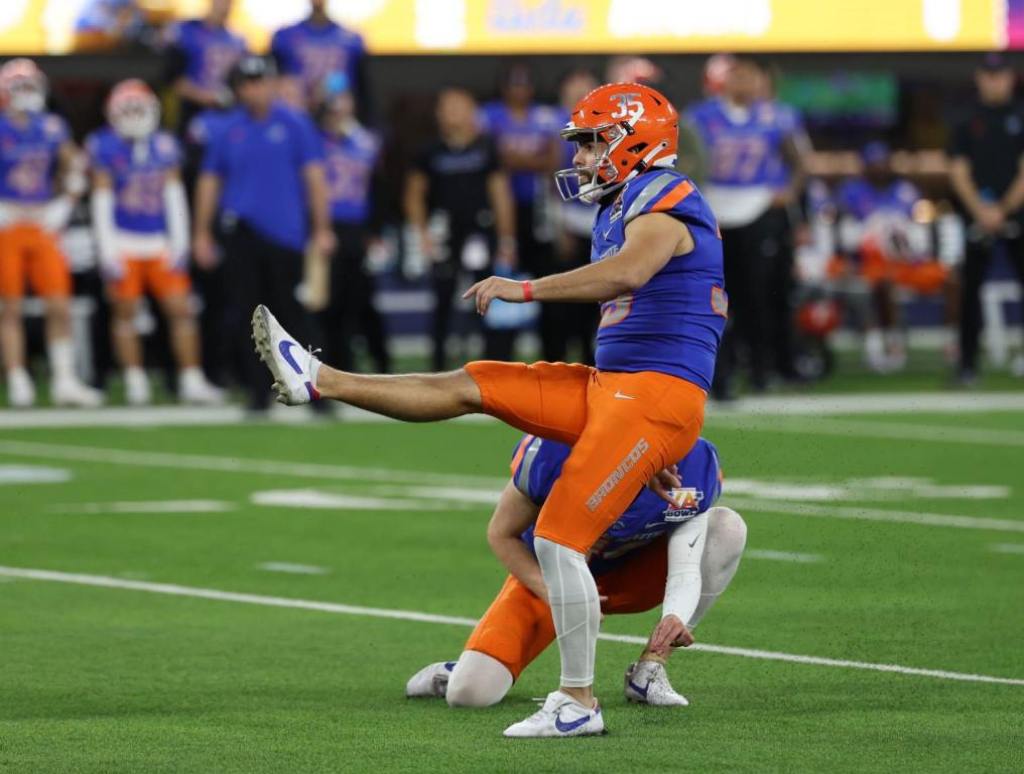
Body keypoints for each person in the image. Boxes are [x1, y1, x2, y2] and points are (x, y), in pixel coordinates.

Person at [252, 82, 726, 737]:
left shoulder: (666, 196)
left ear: (634, 138)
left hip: (654, 392)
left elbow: (626, 274)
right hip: (615, 385)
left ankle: (578, 701)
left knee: (559, 534)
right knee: (471, 384)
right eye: (582, 142)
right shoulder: (624, 201)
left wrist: (524, 288)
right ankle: (321, 378)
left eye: (594, 139)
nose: (584, 156)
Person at [405, 434, 746, 710]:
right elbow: (501, 533)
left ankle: (650, 670)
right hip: (550, 577)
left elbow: (686, 563)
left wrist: (675, 616)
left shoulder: (699, 462)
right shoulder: (558, 447)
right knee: (470, 695)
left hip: (629, 575)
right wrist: (558, 595)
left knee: (727, 527)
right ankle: (461, 670)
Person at [193, 54, 334, 411]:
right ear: (238, 89)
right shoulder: (227, 129)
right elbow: (210, 181)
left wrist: (322, 228)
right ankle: (259, 392)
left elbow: (315, 178)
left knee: (295, 314)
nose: (253, 90)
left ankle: (317, 390)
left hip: (286, 234)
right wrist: (201, 233)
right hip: (241, 231)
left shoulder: (295, 124)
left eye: (259, 82)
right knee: (247, 314)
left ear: (271, 84)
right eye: (246, 84)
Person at [86, 79, 224, 406]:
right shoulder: (104, 145)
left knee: (181, 310)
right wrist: (107, 249)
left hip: (158, 240)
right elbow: (102, 200)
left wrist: (179, 242)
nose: (134, 115)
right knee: (125, 313)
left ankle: (191, 377)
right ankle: (135, 380)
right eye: (128, 108)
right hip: (123, 240)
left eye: (139, 108)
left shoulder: (165, 146)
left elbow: (173, 196)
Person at [686, 55, 810, 397]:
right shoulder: (701, 116)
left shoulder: (776, 117)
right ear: (725, 80)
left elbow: (799, 159)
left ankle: (760, 369)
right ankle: (720, 374)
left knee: (757, 297)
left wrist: (791, 191)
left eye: (750, 77)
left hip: (757, 206)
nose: (744, 84)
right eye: (737, 76)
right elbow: (688, 161)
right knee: (715, 298)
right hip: (715, 208)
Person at [0, 58, 103, 408]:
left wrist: (65, 203)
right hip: (8, 224)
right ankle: (17, 376)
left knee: (58, 304)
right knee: (9, 307)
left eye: (31, 86)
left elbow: (76, 165)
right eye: (20, 87)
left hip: (43, 221)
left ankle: (64, 379)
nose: (26, 94)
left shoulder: (52, 127)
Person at [403, 88, 517, 370]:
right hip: (445, 232)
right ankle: (439, 367)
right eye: (447, 107)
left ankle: (495, 366)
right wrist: (423, 234)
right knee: (442, 299)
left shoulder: (486, 147)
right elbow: (413, 195)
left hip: (481, 230)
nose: (452, 113)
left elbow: (500, 194)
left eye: (459, 106)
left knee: (489, 296)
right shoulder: (429, 151)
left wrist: (507, 240)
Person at [836, 142, 952, 373]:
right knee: (881, 283)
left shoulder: (906, 190)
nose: (880, 168)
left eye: (883, 162)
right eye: (874, 163)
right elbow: (844, 233)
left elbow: (923, 229)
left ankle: (953, 341)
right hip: (872, 261)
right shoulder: (851, 191)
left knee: (952, 280)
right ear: (865, 166)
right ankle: (886, 345)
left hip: (909, 261)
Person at [948, 53, 1024, 386]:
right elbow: (958, 170)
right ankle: (967, 365)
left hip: (1017, 214)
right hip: (976, 216)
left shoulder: (1021, 115)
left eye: (1001, 74)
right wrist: (981, 210)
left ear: (1011, 78)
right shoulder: (966, 119)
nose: (995, 80)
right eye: (989, 74)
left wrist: (1004, 209)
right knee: (969, 291)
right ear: (980, 78)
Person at [479, 66, 563, 358]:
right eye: (513, 84)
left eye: (524, 84)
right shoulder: (489, 115)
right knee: (500, 283)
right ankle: (498, 358)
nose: (519, 90)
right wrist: (530, 160)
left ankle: (551, 357)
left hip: (538, 211)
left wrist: (517, 160)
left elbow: (553, 160)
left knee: (548, 284)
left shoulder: (546, 116)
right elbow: (493, 158)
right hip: (497, 211)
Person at [318, 72, 390, 373]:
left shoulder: (367, 141)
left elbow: (379, 189)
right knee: (327, 301)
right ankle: (334, 364)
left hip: (358, 230)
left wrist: (376, 232)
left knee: (360, 300)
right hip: (325, 227)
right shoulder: (314, 140)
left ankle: (379, 362)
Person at [546, 69, 600, 365]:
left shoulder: (613, 127)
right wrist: (558, 224)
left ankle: (592, 359)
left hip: (604, 220)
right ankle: (563, 361)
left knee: (599, 299)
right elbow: (550, 182)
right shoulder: (555, 127)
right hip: (572, 218)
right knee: (568, 296)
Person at [162, 0, 247, 135]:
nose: (225, 6)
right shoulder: (186, 31)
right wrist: (205, 97)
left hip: (227, 114)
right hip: (191, 113)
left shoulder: (238, 40)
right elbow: (172, 78)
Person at [270, 0, 369, 114]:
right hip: (298, 113)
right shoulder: (284, 37)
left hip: (337, 114)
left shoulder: (351, 40)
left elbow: (363, 91)